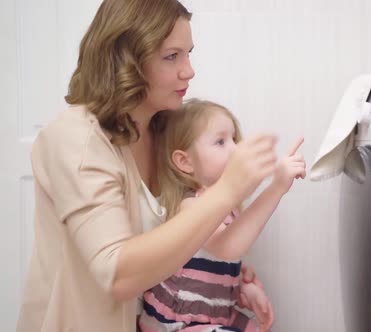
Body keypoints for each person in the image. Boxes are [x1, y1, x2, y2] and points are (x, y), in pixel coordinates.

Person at [16, 1, 279, 331]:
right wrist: (227, 191)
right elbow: (119, 275)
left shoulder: (163, 132)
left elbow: (180, 239)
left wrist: (228, 277)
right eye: (172, 56)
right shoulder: (76, 139)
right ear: (126, 61)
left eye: (188, 53)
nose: (189, 70)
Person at [138, 99, 306, 331]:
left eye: (235, 140)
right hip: (178, 322)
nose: (236, 149)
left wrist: (240, 289)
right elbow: (229, 246)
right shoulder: (191, 206)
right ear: (185, 162)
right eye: (220, 141)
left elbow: (211, 268)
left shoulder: (229, 209)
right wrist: (276, 187)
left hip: (209, 317)